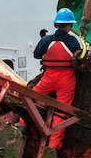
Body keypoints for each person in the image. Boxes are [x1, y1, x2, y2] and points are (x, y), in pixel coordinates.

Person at [32, 8, 82, 150]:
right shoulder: (73, 42)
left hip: (48, 77)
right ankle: (54, 145)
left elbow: (36, 55)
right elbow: (79, 59)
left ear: (56, 25)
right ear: (70, 26)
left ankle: (22, 124)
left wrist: (43, 40)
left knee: (30, 99)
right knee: (61, 112)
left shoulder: (47, 40)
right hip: (67, 80)